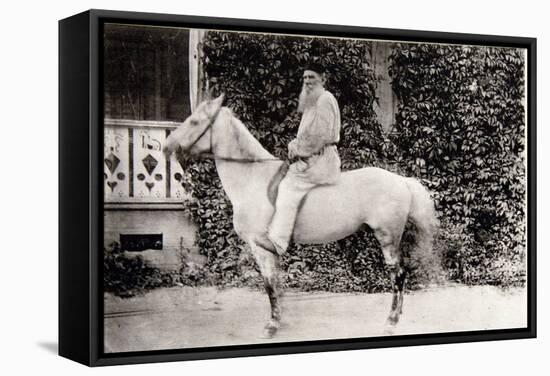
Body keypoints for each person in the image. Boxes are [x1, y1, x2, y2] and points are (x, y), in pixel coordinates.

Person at [261, 62, 342, 255]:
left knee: (288, 187)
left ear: (323, 79)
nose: (307, 81)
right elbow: (307, 134)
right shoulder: (312, 102)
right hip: (313, 158)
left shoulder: (324, 99)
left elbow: (322, 136)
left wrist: (300, 151)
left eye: (311, 77)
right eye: (305, 78)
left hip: (322, 160)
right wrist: (294, 144)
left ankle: (278, 242)